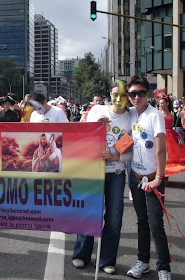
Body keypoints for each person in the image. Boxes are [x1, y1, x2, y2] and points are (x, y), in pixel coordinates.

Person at [72, 80, 132, 275]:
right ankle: (81, 254)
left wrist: (116, 156)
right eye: (116, 94)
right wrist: (96, 125)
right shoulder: (97, 109)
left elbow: (132, 149)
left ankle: (106, 259)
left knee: (114, 219)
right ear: (110, 94)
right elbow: (83, 136)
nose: (119, 99)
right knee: (89, 213)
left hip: (116, 174)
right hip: (93, 171)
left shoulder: (132, 118)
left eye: (123, 95)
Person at [126, 76, 171, 280]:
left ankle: (163, 267)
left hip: (153, 178)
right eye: (133, 94)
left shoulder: (155, 116)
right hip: (135, 177)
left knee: (155, 224)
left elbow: (161, 150)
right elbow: (126, 140)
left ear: (147, 94)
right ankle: (143, 261)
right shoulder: (131, 114)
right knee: (142, 222)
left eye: (141, 93)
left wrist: (159, 178)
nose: (137, 97)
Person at [156, 94, 185, 177]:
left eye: (162, 103)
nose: (161, 105)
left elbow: (171, 125)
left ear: (167, 104)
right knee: (162, 155)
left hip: (170, 135)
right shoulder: (158, 113)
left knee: (171, 157)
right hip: (162, 135)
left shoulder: (171, 114)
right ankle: (162, 175)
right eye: (160, 103)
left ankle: (166, 175)